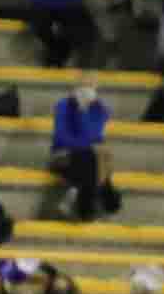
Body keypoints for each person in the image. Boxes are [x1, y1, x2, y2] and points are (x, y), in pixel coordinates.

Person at [47, 71, 120, 220]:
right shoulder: (63, 106)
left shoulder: (100, 109)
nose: (86, 90)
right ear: (75, 88)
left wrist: (84, 113)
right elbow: (61, 139)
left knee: (94, 155)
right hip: (63, 157)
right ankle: (107, 195)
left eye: (90, 87)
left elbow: (95, 136)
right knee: (95, 155)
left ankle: (77, 196)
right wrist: (78, 111)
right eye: (83, 86)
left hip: (87, 161)